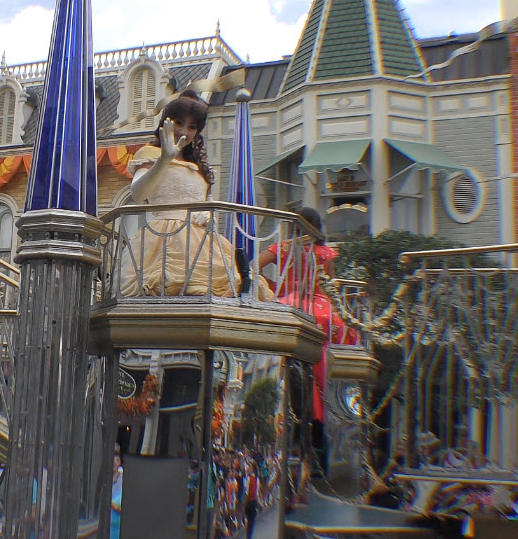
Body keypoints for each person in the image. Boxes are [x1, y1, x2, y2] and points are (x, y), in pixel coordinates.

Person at [118, 92, 240, 297]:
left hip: (200, 240)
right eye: (179, 123)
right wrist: (164, 160)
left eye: (192, 127)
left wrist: (208, 216)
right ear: (166, 122)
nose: (184, 131)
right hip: (162, 236)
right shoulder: (150, 154)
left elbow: (206, 203)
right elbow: (138, 194)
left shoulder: (198, 166)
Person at [257, 207, 356, 424]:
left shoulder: (283, 248)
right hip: (323, 309)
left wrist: (273, 286)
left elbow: (253, 266)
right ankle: (333, 403)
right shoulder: (326, 253)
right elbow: (333, 286)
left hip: (288, 303)